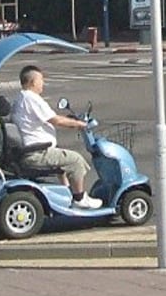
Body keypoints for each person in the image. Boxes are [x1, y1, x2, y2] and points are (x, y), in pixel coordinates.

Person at [8, 65, 102, 209]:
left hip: (31, 150)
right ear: (33, 82)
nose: (43, 83)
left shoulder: (20, 98)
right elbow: (55, 120)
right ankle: (80, 198)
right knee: (75, 160)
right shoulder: (32, 99)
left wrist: (73, 122)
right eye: (41, 80)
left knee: (61, 157)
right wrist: (80, 124)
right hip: (37, 153)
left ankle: (68, 194)